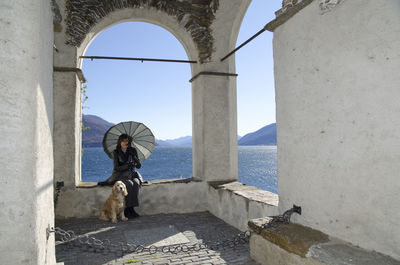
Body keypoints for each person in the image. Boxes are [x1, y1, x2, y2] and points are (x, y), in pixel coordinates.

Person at [98, 134, 143, 218]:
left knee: (136, 183)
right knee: (129, 184)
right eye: (123, 141)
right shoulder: (116, 152)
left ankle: (132, 209)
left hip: (131, 174)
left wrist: (134, 158)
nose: (125, 142)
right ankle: (127, 209)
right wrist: (127, 165)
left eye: (127, 141)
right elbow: (117, 167)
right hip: (120, 175)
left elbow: (139, 166)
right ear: (120, 142)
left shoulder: (132, 150)